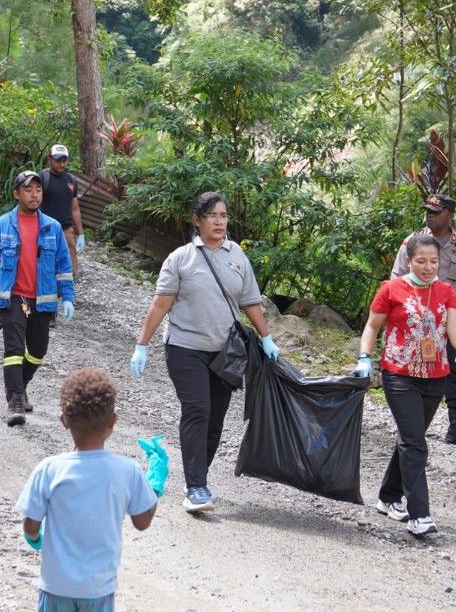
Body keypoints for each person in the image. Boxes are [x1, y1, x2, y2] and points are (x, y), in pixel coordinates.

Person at [129, 191, 280, 513]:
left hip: (225, 353)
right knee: (197, 409)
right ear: (197, 220)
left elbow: (250, 301)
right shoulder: (180, 258)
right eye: (213, 216)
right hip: (185, 349)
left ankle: (196, 477)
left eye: (224, 216)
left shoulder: (236, 255)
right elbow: (160, 304)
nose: (219, 222)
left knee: (215, 421)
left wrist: (267, 338)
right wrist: (142, 344)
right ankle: (196, 487)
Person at [356, 233, 456, 537]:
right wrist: (364, 357)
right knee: (415, 444)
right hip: (400, 375)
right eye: (421, 261)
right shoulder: (391, 289)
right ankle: (420, 515)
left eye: (433, 261)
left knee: (411, 437)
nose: (428, 266)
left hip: (435, 378)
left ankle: (388, 497)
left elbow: (454, 327)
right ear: (409, 260)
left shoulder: (446, 291)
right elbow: (372, 325)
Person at [16, 368, 160, 611]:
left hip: (55, 586)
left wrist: (35, 537)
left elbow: (31, 527)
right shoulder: (128, 471)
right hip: (98, 589)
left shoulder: (49, 470)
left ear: (64, 421)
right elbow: (142, 521)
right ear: (113, 420)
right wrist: (154, 485)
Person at [0, 170, 75, 426]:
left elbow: (64, 266)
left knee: (38, 351)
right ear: (16, 194)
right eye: (28, 190)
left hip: (42, 299)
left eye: (38, 190)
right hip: (12, 297)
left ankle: (22, 385)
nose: (34, 195)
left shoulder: (52, 227)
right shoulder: (0, 226)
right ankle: (15, 401)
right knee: (14, 350)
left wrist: (68, 298)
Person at [390, 193, 456, 445]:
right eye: (427, 210)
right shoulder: (412, 242)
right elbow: (396, 279)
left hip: (448, 318)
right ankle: (411, 425)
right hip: (415, 319)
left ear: (449, 215)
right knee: (413, 369)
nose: (429, 214)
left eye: (435, 211)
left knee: (455, 370)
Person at [40, 145, 86, 278]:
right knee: (45, 268)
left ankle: (67, 295)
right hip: (46, 229)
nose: (61, 163)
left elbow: (75, 209)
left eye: (64, 160)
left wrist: (81, 233)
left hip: (66, 230)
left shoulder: (71, 180)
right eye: (58, 160)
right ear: (49, 159)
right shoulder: (42, 178)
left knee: (70, 271)